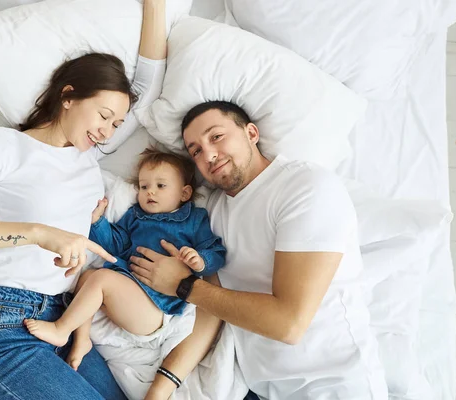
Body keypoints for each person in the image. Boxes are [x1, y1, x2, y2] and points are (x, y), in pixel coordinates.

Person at [0, 1, 217, 398]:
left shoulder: (88, 154)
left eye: (117, 123)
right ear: (68, 96)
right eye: (103, 116)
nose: (108, 131)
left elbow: (148, 84)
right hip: (4, 329)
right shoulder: (4, 146)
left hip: (65, 320)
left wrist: (155, 5)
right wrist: (37, 234)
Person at [128, 101, 389, 399]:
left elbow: (288, 324)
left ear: (251, 132)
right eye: (196, 150)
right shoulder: (211, 211)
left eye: (216, 137)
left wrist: (183, 285)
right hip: (256, 391)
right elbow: (211, 307)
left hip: (332, 386)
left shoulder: (304, 187)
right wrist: (162, 386)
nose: (209, 155)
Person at [24, 147, 226, 366]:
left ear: (184, 193)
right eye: (144, 186)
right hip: (128, 291)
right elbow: (115, 245)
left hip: (156, 309)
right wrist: (97, 222)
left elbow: (215, 252)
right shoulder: (135, 216)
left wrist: (200, 260)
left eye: (161, 186)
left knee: (101, 279)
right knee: (88, 276)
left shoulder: (194, 220)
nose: (150, 192)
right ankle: (82, 339)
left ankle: (61, 329)